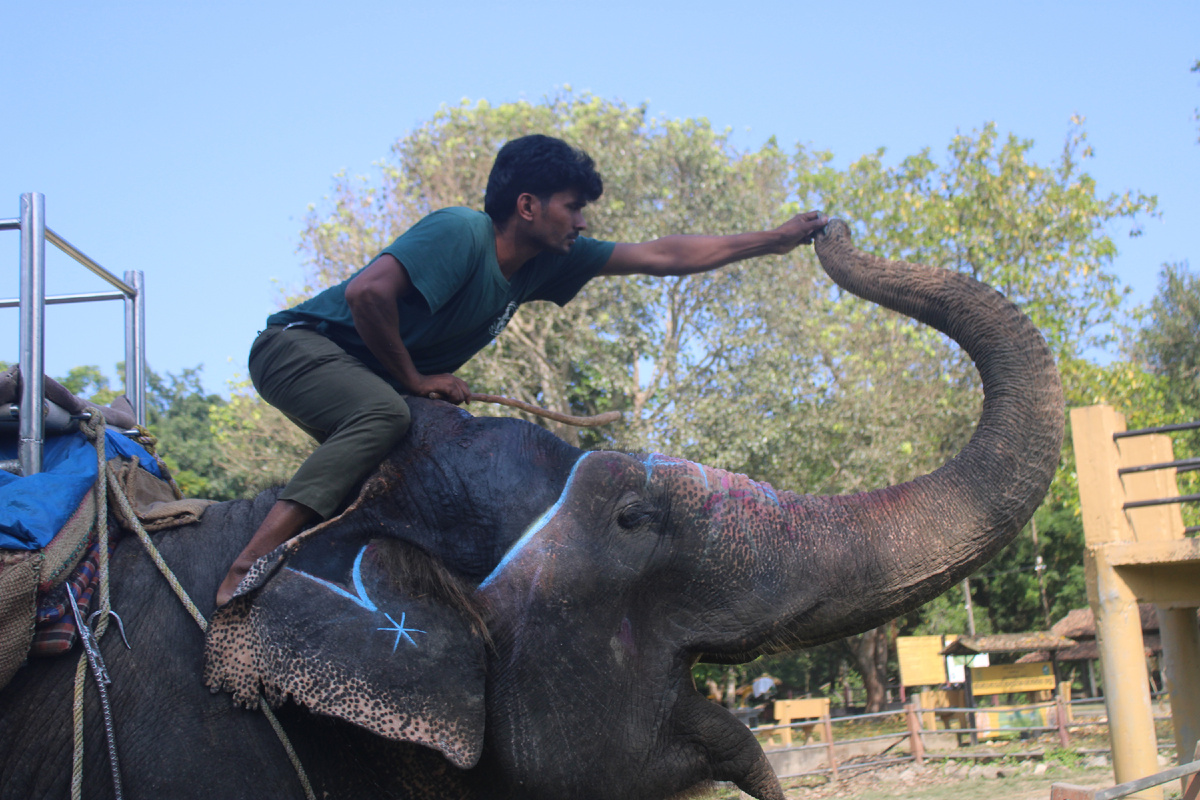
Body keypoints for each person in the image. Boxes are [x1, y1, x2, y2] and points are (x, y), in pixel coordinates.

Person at [215, 134, 827, 606]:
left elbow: (663, 255)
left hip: (368, 377)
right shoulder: (462, 232)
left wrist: (773, 240)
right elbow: (367, 295)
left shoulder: (546, 264)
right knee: (385, 415)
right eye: (573, 206)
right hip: (297, 350)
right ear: (528, 205)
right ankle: (252, 560)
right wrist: (416, 380)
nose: (582, 222)